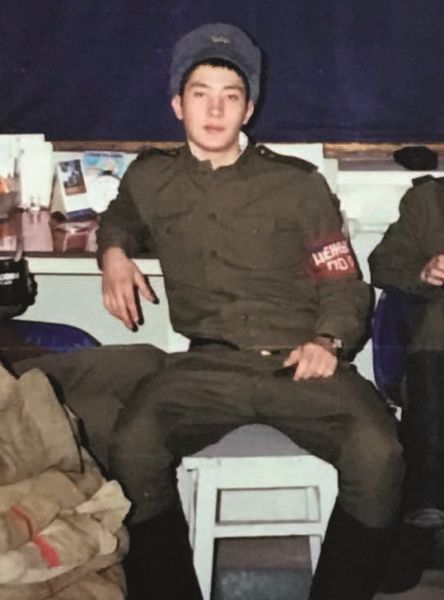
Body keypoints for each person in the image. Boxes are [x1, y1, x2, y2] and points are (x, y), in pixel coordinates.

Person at [97, 23, 404, 600]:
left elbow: (343, 282)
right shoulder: (151, 177)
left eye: (230, 96)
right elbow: (120, 216)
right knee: (132, 445)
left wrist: (329, 341)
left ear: (249, 109)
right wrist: (113, 253)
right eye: (201, 94)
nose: (215, 110)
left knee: (379, 455)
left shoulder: (297, 186)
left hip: (300, 360)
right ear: (177, 104)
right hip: (206, 368)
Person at [369, 176, 444, 591]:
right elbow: (383, 264)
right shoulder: (429, 201)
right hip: (434, 360)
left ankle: (424, 508)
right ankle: (424, 511)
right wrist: (424, 271)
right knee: (435, 325)